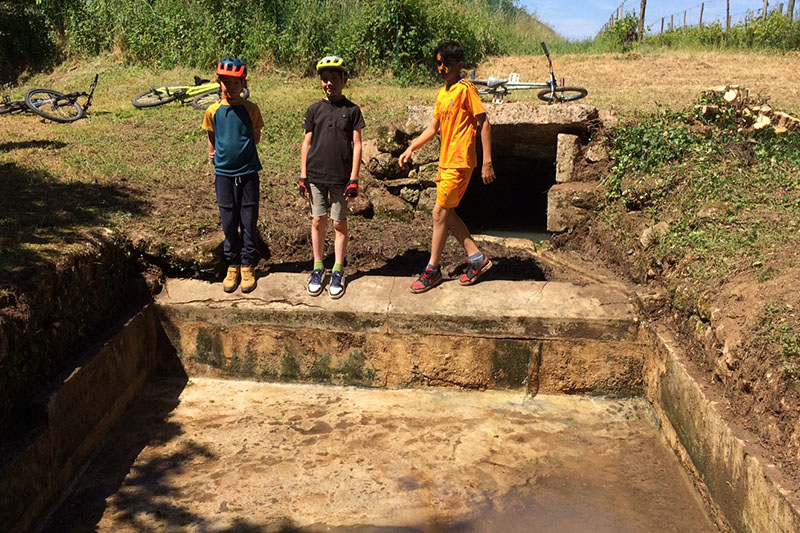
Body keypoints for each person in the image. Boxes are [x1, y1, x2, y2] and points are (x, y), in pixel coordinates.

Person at [398, 41, 496, 294]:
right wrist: (411, 147)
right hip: (446, 162)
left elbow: (484, 123)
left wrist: (487, 161)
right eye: (439, 63)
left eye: (447, 64)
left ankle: (432, 269)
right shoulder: (442, 93)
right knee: (448, 214)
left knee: (439, 213)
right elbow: (433, 128)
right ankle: (477, 259)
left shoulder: (467, 89)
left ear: (460, 65)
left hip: (461, 162)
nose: (442, 68)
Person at [299, 55, 365, 299]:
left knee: (339, 223)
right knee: (318, 221)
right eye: (325, 80)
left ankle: (338, 269)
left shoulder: (352, 111)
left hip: (341, 177)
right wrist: (303, 176)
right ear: (320, 82)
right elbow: (306, 144)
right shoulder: (314, 110)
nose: (329, 84)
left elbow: (357, 146)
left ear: (344, 80)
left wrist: (354, 179)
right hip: (316, 175)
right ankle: (318, 267)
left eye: (334, 79)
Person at [202, 57, 264, 293]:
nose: (230, 88)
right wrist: (212, 152)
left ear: (243, 84)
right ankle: (233, 263)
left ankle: (248, 264)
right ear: (219, 84)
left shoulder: (251, 110)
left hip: (248, 173)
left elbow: (255, 137)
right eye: (225, 83)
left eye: (235, 83)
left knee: (248, 218)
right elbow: (211, 133)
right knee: (228, 219)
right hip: (224, 175)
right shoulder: (213, 110)